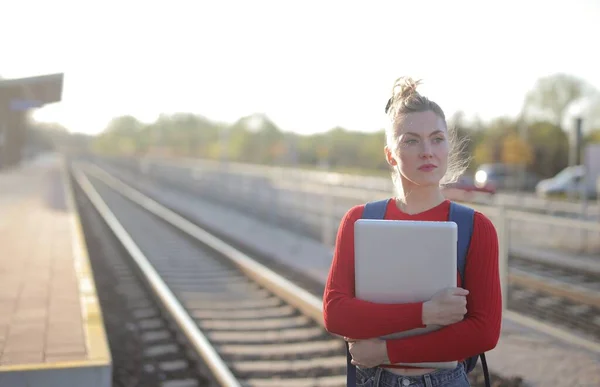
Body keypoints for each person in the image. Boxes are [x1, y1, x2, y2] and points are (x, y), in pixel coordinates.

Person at [322, 76, 502, 387]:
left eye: (437, 138)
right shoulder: (359, 220)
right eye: (411, 140)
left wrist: (387, 350)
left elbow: (484, 331)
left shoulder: (476, 228)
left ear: (448, 145)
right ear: (390, 154)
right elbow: (336, 313)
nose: (427, 151)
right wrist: (426, 313)